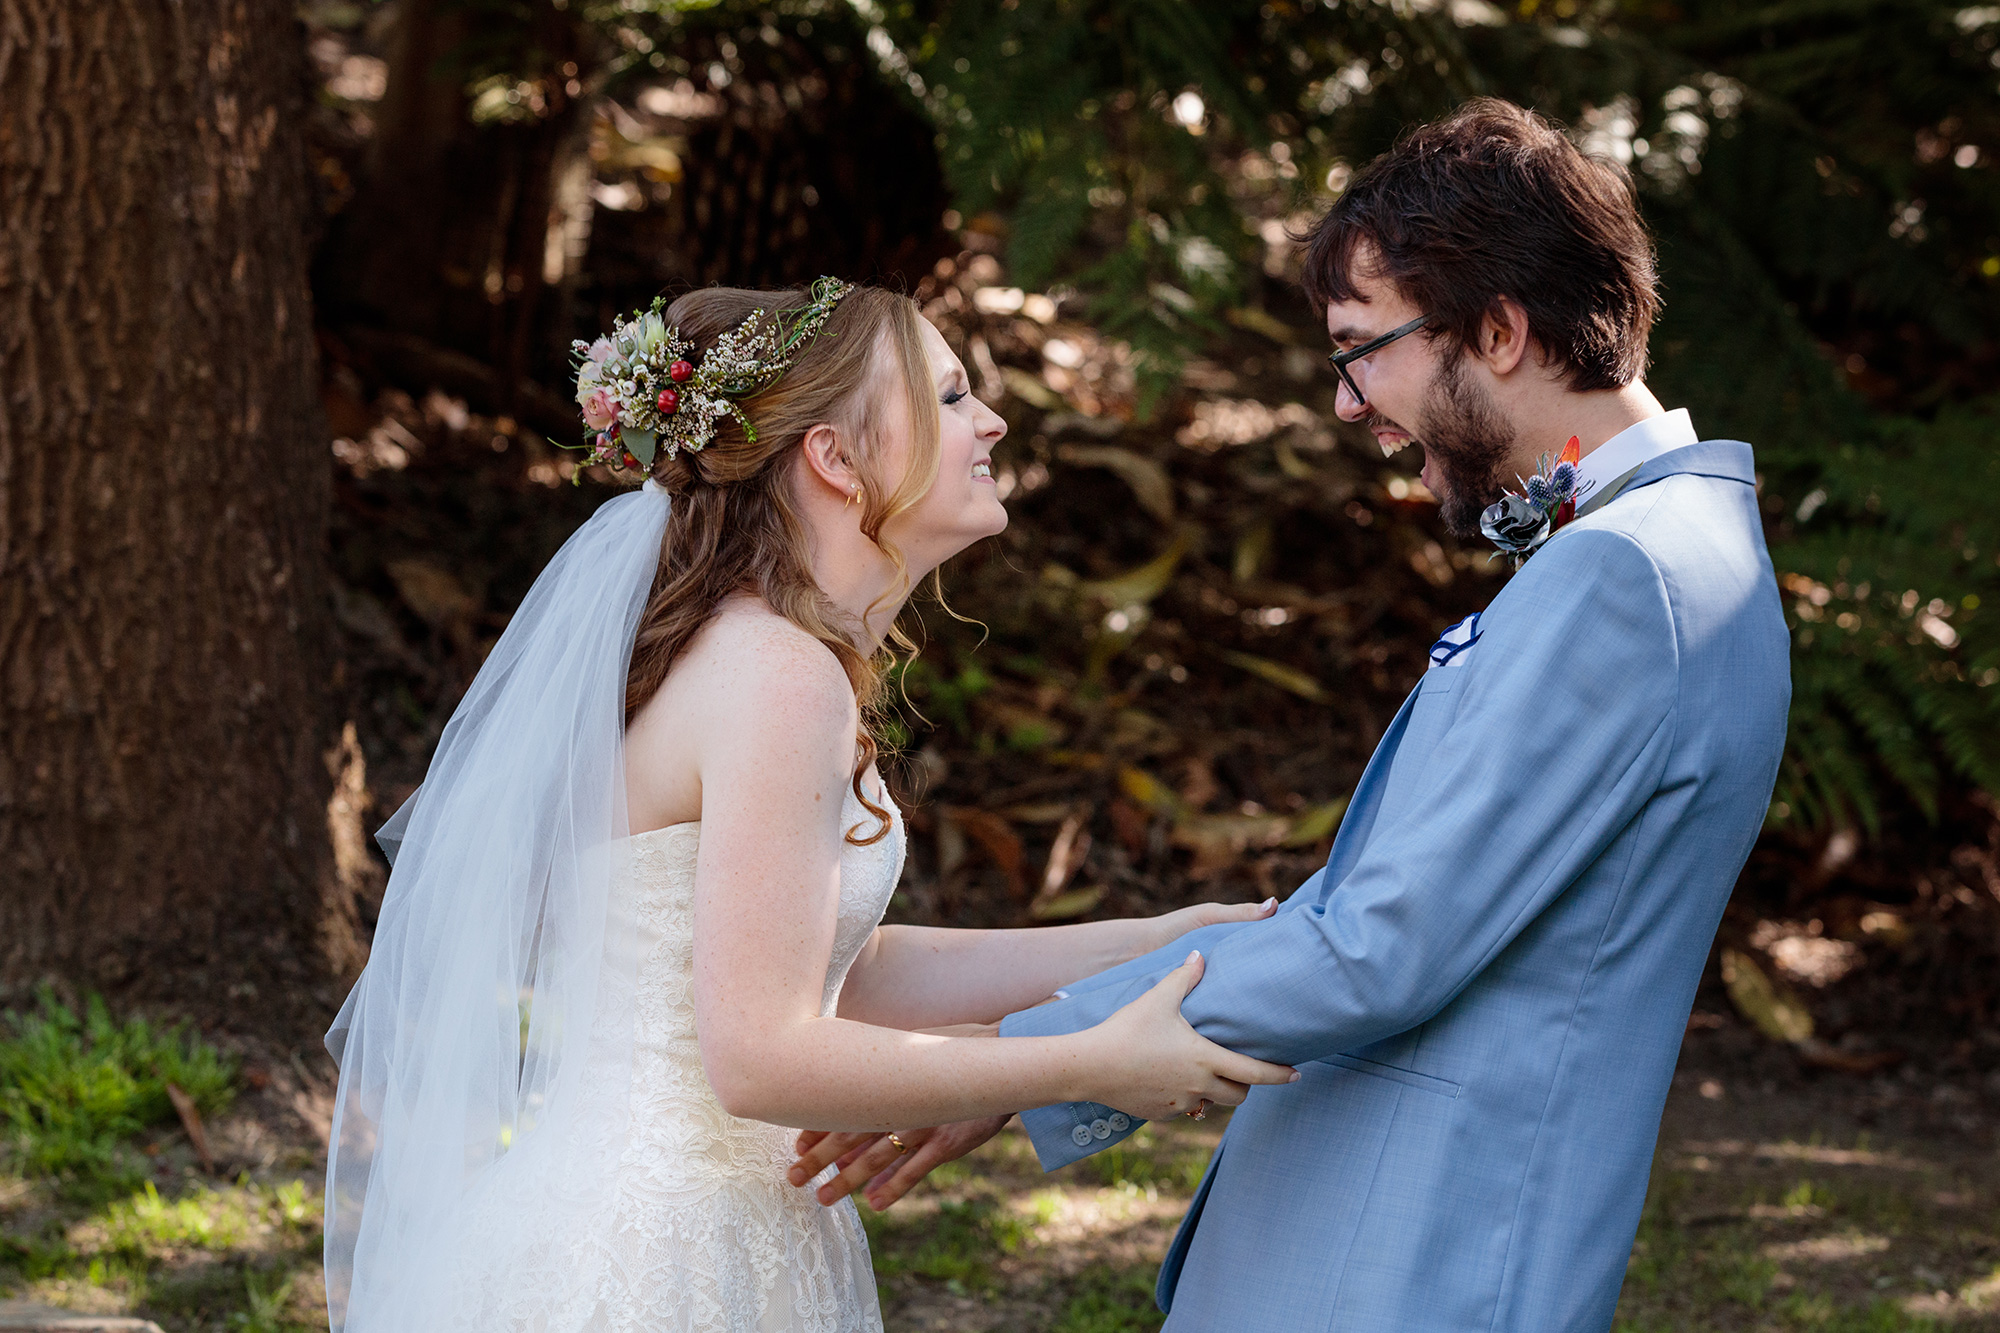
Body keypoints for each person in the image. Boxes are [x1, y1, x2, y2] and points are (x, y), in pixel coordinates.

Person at [795, 99, 1793, 1332]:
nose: (1345, 403)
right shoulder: (1678, 554)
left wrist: (1021, 1062)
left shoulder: (1623, 579)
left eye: (1359, 347)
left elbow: (1381, 943)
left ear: (1495, 329)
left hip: (1413, 1254)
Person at [320, 277, 1297, 1333]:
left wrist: (1152, 945)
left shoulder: (750, 655)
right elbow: (761, 1055)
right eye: (954, 395)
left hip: (690, 1221)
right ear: (835, 458)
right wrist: (1091, 1062)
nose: (993, 420)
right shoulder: (779, 678)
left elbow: (845, 969)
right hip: (665, 1263)